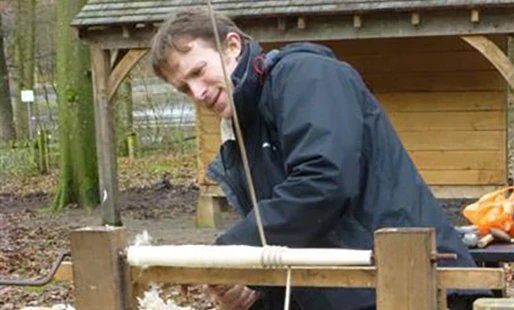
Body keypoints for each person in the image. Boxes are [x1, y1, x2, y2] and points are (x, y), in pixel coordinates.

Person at [151, 8, 483, 310]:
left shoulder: (305, 75)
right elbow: (291, 237)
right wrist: (254, 291)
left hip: (413, 290)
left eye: (198, 71)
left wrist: (229, 254)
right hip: (348, 293)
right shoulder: (242, 133)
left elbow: (324, 182)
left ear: (232, 46)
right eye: (184, 88)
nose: (197, 93)